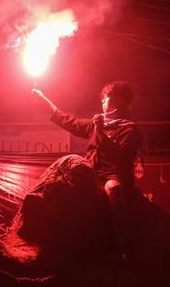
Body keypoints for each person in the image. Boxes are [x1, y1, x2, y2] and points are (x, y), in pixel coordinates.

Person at [33, 82, 143, 258]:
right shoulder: (96, 123)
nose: (103, 102)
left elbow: (120, 155)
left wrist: (99, 130)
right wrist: (45, 100)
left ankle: (121, 245)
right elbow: (70, 122)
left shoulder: (129, 128)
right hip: (91, 173)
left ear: (120, 100)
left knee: (112, 189)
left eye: (106, 98)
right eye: (102, 98)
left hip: (113, 175)